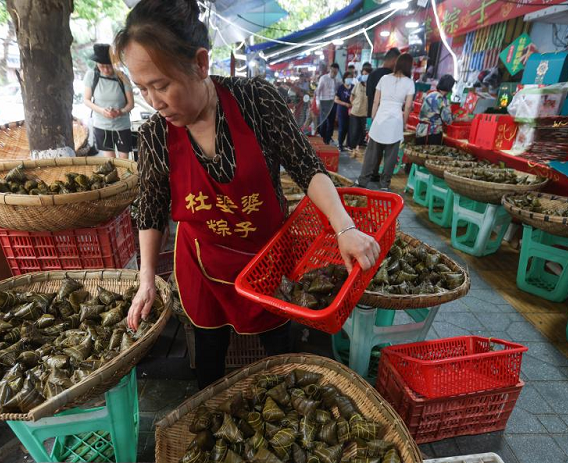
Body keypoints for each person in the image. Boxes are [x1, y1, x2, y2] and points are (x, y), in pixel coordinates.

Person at [116, 0, 381, 389]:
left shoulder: (257, 101)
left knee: (279, 345)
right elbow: (152, 208)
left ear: (201, 63)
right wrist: (145, 278)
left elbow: (307, 168)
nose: (153, 101)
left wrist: (345, 227)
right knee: (208, 352)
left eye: (161, 85)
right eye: (142, 89)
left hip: (267, 258)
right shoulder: (155, 134)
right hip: (203, 266)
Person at [355, 53, 415, 191]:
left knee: (371, 153)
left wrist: (373, 120)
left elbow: (376, 101)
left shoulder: (384, 78)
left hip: (380, 118)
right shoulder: (409, 82)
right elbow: (407, 107)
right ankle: (384, 184)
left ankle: (363, 180)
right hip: (395, 121)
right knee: (390, 156)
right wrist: (404, 123)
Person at [83, 43, 135, 158]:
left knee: (124, 159)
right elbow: (86, 100)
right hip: (102, 125)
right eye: (102, 66)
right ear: (96, 63)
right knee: (109, 160)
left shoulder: (122, 77)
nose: (106, 69)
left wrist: (120, 112)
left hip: (122, 125)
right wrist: (102, 111)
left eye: (109, 66)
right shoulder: (91, 76)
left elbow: (131, 104)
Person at [365, 48, 400, 182]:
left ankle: (370, 174)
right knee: (389, 149)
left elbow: (370, 97)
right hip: (389, 117)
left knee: (373, 148)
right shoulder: (394, 77)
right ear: (393, 60)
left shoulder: (373, 75)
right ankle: (384, 180)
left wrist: (370, 117)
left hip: (373, 116)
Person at [416, 74, 455, 145]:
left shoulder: (430, 94)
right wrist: (461, 118)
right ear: (450, 87)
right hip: (432, 133)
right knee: (429, 155)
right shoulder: (442, 100)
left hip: (420, 131)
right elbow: (448, 120)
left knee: (420, 153)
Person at [348, 65, 369, 156]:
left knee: (363, 132)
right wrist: (354, 104)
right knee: (354, 131)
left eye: (366, 74)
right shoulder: (357, 85)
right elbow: (351, 97)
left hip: (365, 113)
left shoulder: (371, 87)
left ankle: (358, 148)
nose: (364, 76)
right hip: (355, 112)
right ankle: (352, 148)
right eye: (363, 74)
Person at [316, 63, 339, 145]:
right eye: (333, 71)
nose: (334, 73)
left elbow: (336, 92)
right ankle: (322, 138)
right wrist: (318, 103)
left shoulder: (336, 80)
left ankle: (328, 140)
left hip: (332, 103)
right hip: (324, 102)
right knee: (323, 122)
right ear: (330, 69)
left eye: (336, 72)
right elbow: (318, 91)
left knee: (331, 122)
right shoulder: (324, 78)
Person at [334, 72, 354, 152]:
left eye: (351, 77)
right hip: (342, 110)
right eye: (348, 77)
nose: (349, 79)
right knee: (342, 128)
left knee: (349, 128)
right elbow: (336, 100)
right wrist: (345, 104)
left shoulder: (354, 87)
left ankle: (348, 144)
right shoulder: (341, 87)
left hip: (351, 111)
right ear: (344, 78)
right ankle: (340, 144)